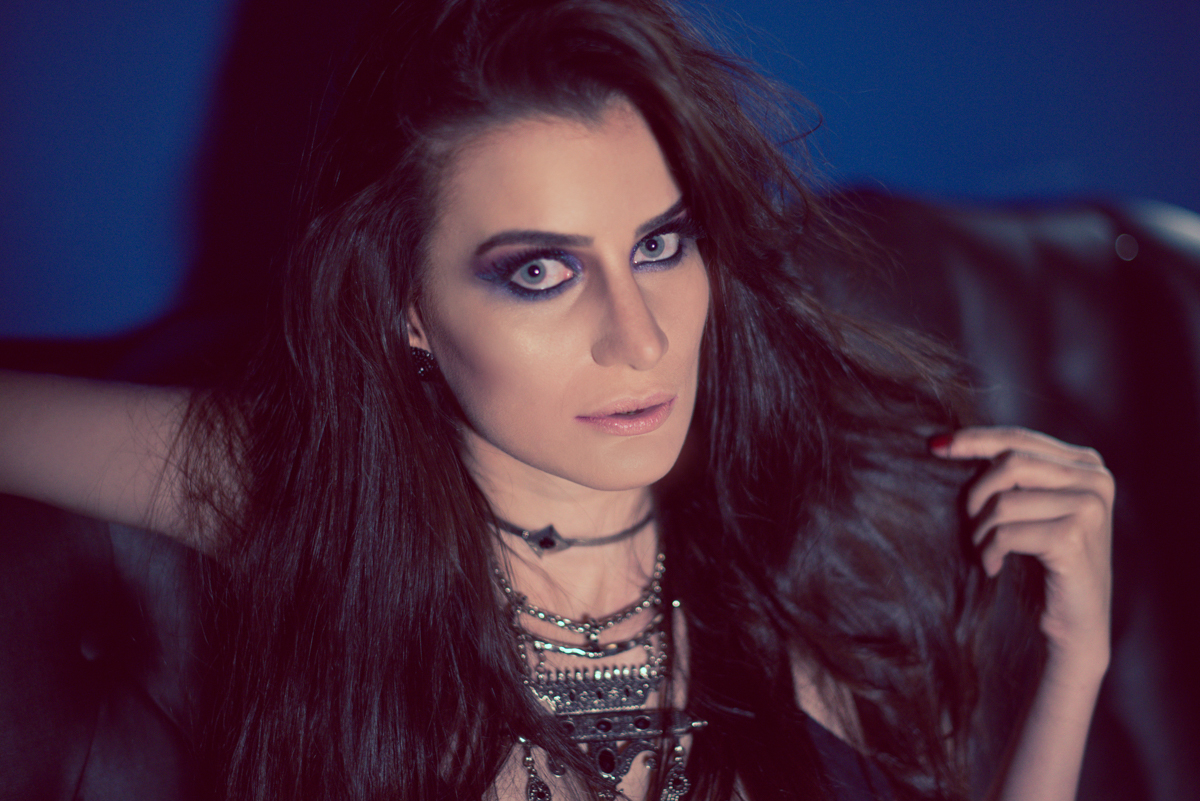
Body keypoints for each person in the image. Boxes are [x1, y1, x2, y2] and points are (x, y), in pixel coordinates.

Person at [0, 0, 1112, 799]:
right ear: (405, 308)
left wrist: (1077, 663)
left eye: (660, 246)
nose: (642, 338)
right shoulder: (317, 496)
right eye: (541, 270)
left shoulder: (799, 549)